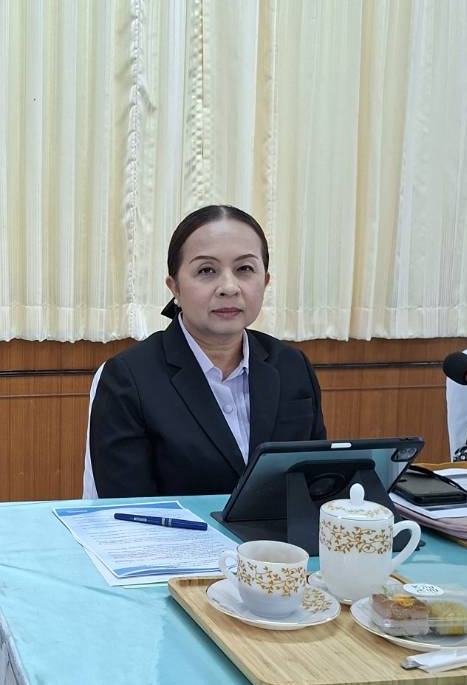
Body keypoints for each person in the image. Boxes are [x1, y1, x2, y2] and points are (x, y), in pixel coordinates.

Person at [89, 204, 325, 497]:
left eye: (244, 269)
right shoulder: (128, 379)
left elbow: (317, 484)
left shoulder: (292, 365)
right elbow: (129, 507)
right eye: (207, 270)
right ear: (174, 287)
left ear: (265, 281)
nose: (229, 287)